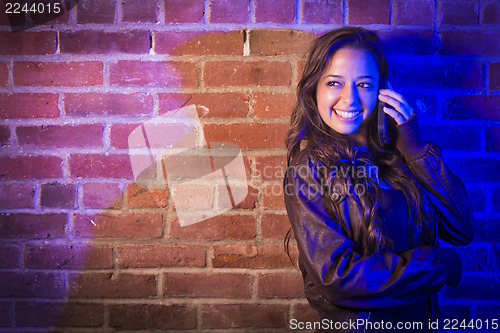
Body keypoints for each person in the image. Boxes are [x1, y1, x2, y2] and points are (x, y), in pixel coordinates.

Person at [283, 27, 474, 333]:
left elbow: (461, 228)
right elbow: (336, 278)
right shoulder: (308, 170)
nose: (350, 98)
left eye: (364, 84)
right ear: (314, 89)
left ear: (381, 91)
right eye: (334, 83)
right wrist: (439, 265)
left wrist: (416, 150)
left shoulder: (401, 156)